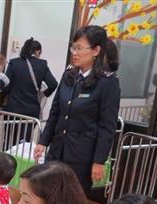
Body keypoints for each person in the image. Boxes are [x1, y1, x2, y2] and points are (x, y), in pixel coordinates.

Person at [34, 26, 120, 195]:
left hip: (82, 156)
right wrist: (43, 141)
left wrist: (99, 161)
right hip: (57, 150)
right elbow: (56, 112)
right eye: (73, 47)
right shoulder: (69, 76)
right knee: (48, 195)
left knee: (71, 202)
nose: (75, 52)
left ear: (96, 51)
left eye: (80, 48)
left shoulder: (107, 83)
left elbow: (107, 127)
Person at [4, 38, 58, 121]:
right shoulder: (42, 65)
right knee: (26, 134)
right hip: (31, 112)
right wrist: (43, 93)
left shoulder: (14, 63)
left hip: (13, 110)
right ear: (37, 51)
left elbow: (6, 85)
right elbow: (53, 84)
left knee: (11, 134)